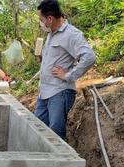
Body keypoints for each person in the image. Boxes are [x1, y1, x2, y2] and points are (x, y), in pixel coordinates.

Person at [35, 0, 96, 140]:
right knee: (36, 128)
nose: (41, 23)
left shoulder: (71, 34)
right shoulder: (51, 34)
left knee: (55, 132)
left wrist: (68, 75)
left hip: (59, 92)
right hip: (44, 93)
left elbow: (89, 57)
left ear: (50, 19)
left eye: (41, 19)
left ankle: (59, 161)